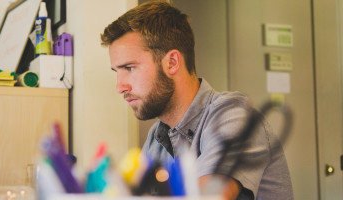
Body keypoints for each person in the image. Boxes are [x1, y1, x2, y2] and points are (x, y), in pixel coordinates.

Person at [101, 1, 293, 199]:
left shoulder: (233, 114)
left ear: (172, 62)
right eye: (117, 72)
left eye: (129, 68)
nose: (120, 87)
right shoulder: (156, 138)